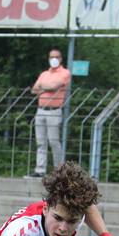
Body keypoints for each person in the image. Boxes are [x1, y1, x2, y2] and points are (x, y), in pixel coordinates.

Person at [31, 47, 71, 177]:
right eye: (51, 57)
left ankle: (59, 170)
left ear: (61, 58)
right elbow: (34, 90)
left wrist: (43, 87)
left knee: (54, 141)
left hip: (54, 111)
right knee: (41, 142)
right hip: (40, 110)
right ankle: (40, 169)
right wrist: (46, 88)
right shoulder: (44, 74)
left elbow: (54, 87)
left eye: (56, 57)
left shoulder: (65, 73)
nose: (54, 59)